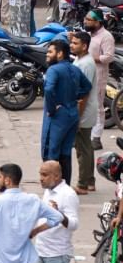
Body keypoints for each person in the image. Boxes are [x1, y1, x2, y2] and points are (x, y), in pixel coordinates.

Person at [41, 40, 92, 186]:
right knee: (65, 153)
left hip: (58, 116)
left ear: (60, 53)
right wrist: (74, 96)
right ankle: (65, 187)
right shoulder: (74, 69)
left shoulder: (53, 70)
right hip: (72, 114)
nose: (47, 55)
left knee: (51, 153)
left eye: (50, 52)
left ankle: (52, 188)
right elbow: (87, 87)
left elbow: (49, 90)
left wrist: (51, 109)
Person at [69, 31, 98, 194]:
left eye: (75, 43)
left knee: (83, 148)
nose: (72, 45)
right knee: (85, 146)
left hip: (84, 110)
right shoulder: (80, 60)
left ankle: (83, 184)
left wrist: (78, 117)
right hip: (83, 109)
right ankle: (90, 181)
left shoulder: (86, 64)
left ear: (84, 46)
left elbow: (83, 92)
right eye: (72, 43)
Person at [85, 9, 115, 149]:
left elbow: (108, 57)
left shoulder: (106, 36)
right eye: (86, 19)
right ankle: (83, 136)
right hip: (85, 75)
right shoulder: (88, 35)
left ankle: (96, 138)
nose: (86, 21)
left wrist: (92, 59)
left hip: (98, 76)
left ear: (98, 22)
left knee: (97, 107)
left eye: (89, 20)